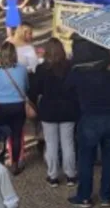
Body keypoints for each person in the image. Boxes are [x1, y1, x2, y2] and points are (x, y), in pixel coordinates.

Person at [66, 38, 110, 207]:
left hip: (90, 118)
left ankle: (84, 197)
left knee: (86, 159)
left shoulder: (77, 73)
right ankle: (106, 196)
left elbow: (68, 90)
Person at [29, 39, 78, 187]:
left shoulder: (42, 69)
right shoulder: (70, 67)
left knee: (51, 144)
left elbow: (35, 90)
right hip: (68, 110)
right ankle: (70, 174)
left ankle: (53, 175)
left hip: (49, 110)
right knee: (68, 143)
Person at [0, 42, 30, 174]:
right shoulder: (22, 69)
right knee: (16, 135)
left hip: (2, 106)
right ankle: (15, 164)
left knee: (2, 136)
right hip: (18, 105)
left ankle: (0, 161)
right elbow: (26, 87)